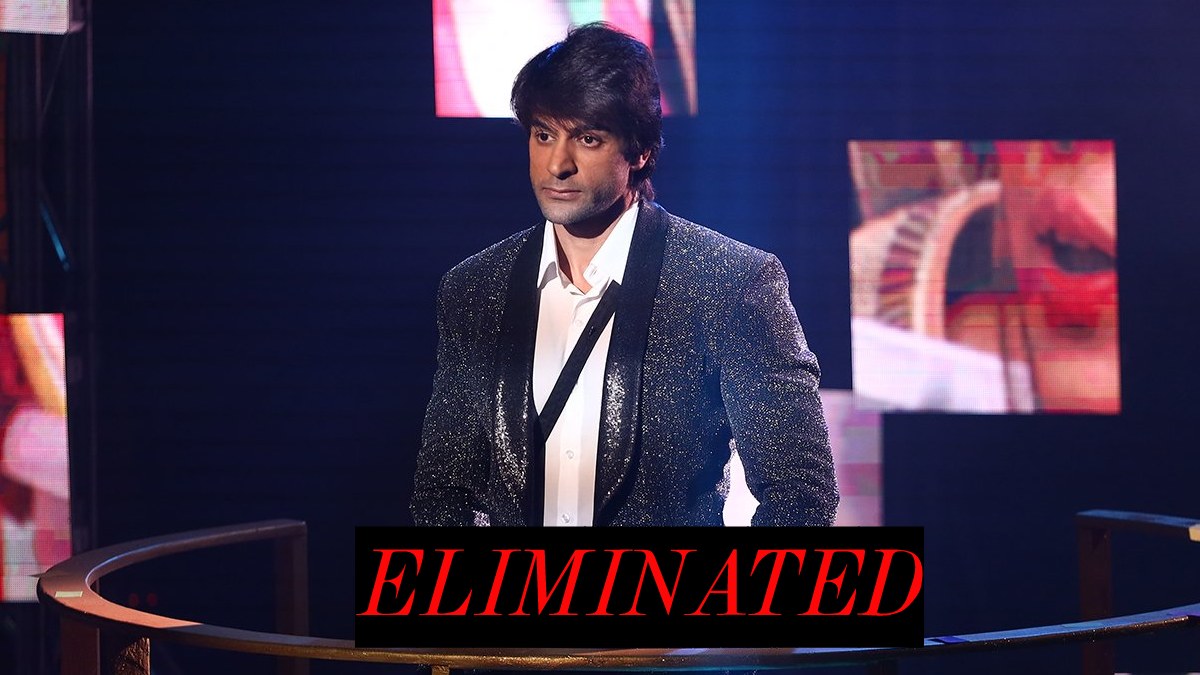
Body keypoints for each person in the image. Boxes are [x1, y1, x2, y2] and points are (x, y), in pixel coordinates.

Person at [411, 22, 837, 527]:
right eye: (543, 135)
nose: (557, 164)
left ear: (640, 151)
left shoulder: (726, 281)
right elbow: (443, 493)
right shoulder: (476, 288)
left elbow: (800, 492)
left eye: (587, 139)